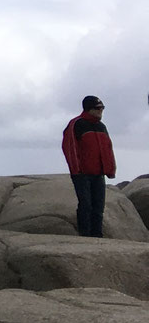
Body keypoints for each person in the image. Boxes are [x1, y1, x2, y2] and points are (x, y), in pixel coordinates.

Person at [62, 95, 117, 238]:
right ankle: (85, 235)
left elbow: (108, 148)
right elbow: (70, 148)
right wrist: (76, 169)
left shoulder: (101, 126)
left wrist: (110, 170)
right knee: (86, 205)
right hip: (82, 174)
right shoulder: (77, 124)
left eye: (102, 108)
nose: (101, 111)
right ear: (88, 109)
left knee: (98, 207)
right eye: (98, 108)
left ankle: (97, 235)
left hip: (99, 173)